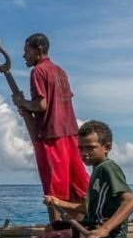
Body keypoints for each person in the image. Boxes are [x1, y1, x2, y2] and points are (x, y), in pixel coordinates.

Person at [11, 33, 90, 224]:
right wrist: (28, 108)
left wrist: (24, 103)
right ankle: (82, 222)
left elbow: (42, 105)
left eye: (27, 51)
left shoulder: (38, 71)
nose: (24, 56)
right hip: (70, 133)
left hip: (51, 136)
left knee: (54, 186)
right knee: (77, 184)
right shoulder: (60, 71)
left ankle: (56, 229)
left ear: (39, 50)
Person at [42, 120, 133, 238]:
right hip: (92, 226)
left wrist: (103, 230)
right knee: (52, 227)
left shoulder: (108, 168)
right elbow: (91, 208)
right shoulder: (97, 169)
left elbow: (131, 202)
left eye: (90, 148)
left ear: (107, 147)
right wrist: (59, 203)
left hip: (108, 236)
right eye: (81, 148)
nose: (84, 153)